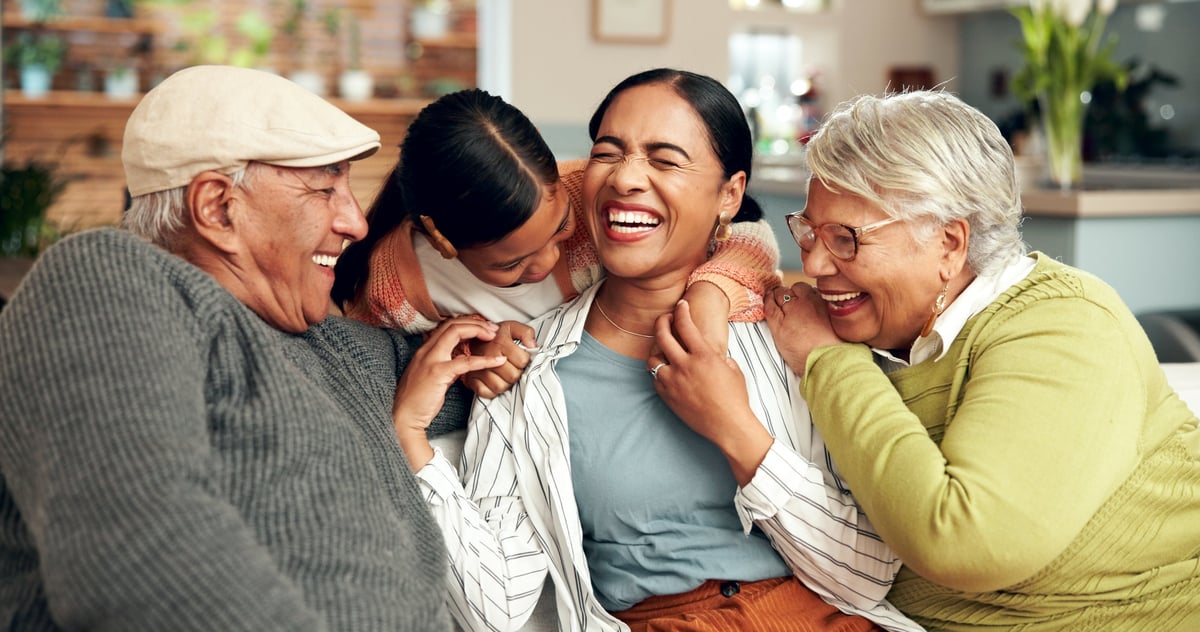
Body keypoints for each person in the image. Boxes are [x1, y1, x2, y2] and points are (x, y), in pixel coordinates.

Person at [395, 68, 924, 632]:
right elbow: (492, 607)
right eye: (608, 152)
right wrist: (407, 433)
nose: (626, 179)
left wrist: (735, 428)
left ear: (730, 195)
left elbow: (865, 575)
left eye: (665, 159)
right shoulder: (524, 368)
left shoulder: (796, 334)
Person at [0, 65, 506, 630]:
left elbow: (497, 383)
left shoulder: (332, 345)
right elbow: (144, 563)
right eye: (326, 187)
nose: (356, 222)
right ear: (218, 208)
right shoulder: (106, 282)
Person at [756, 90, 1200, 630]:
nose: (816, 263)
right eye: (809, 231)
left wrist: (828, 363)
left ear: (948, 243)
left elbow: (964, 540)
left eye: (846, 239)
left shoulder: (1064, 324)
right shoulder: (877, 327)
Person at [331, 88, 780, 398]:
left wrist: (713, 290)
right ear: (442, 240)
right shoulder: (395, 289)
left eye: (560, 227)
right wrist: (472, 354)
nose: (547, 260)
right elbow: (405, 366)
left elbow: (746, 227)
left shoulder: (593, 192)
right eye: (512, 263)